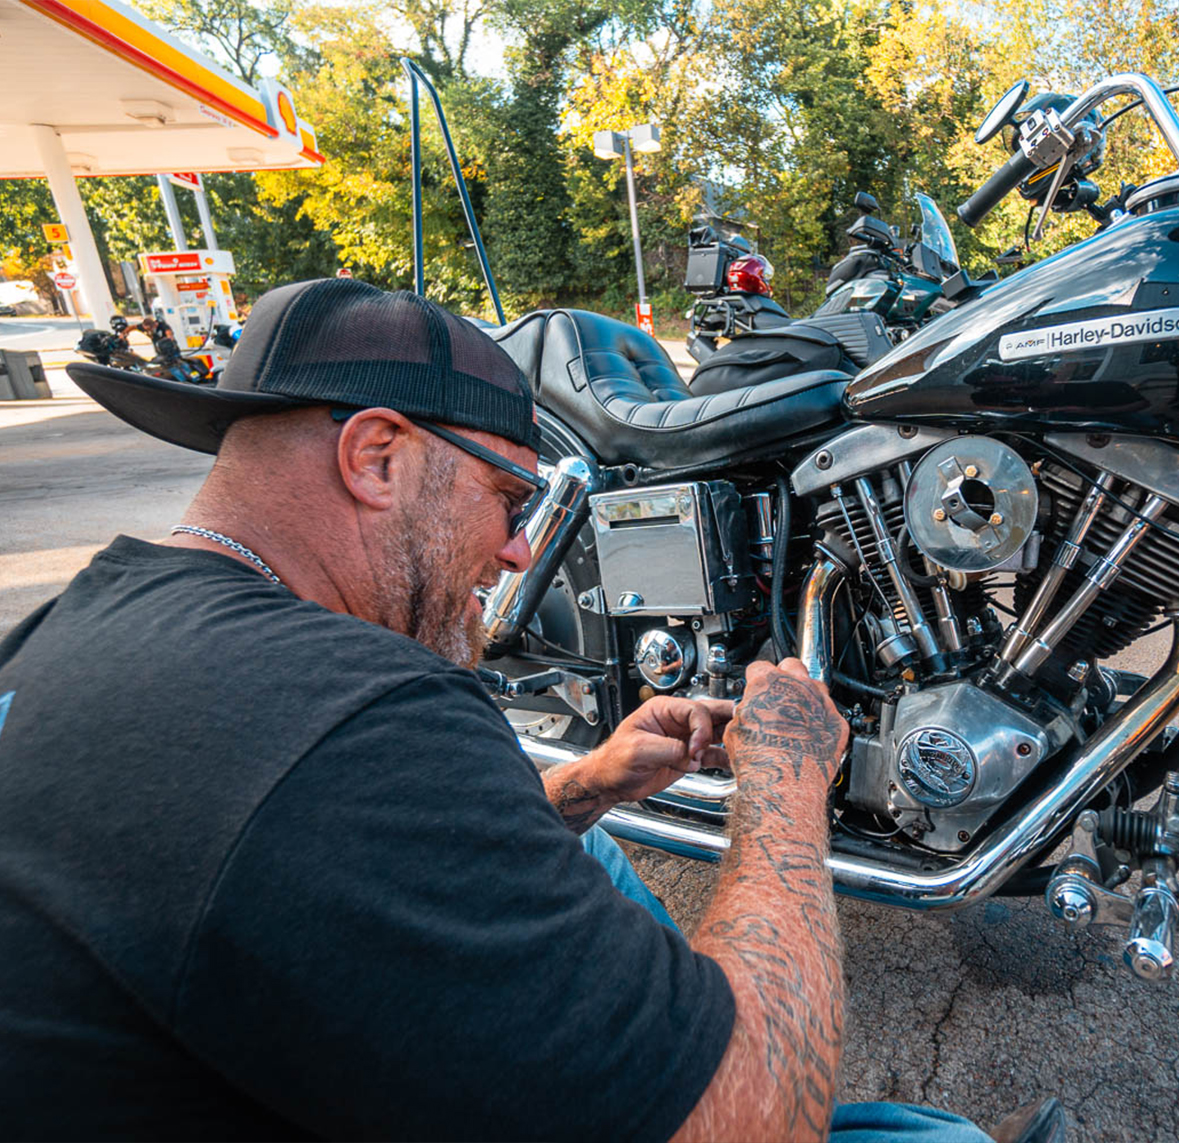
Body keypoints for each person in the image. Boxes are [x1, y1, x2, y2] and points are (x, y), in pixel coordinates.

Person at [0, 279, 1063, 1142]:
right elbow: (742, 1127)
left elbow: (331, 851)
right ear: (376, 457)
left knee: (582, 843)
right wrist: (786, 782)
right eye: (510, 499)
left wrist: (591, 782)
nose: (519, 552)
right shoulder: (357, 714)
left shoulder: (77, 626)